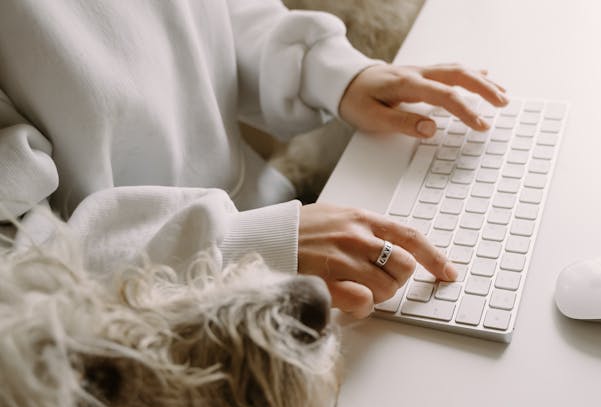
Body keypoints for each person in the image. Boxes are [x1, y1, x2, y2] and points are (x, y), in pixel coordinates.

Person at [0, 0, 507, 319]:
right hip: (138, 331)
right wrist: (237, 245)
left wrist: (334, 74)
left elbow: (212, 17)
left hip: (291, 223)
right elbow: (14, 255)